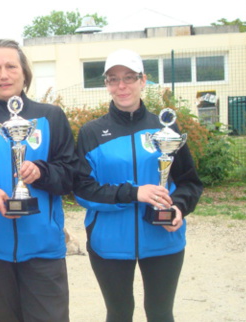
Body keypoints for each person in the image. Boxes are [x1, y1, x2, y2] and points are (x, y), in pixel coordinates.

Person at [74, 49, 203, 321]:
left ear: (143, 80)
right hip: (108, 243)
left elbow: (189, 183)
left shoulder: (166, 127)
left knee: (160, 313)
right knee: (119, 313)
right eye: (113, 79)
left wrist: (178, 208)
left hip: (163, 239)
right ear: (106, 84)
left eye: (129, 77)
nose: (122, 86)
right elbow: (82, 189)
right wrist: (134, 193)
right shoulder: (92, 132)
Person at [0, 39, 77, 322]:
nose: (3, 74)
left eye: (11, 66)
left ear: (24, 72)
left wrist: (42, 172)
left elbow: (71, 174)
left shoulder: (50, 117)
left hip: (43, 249)